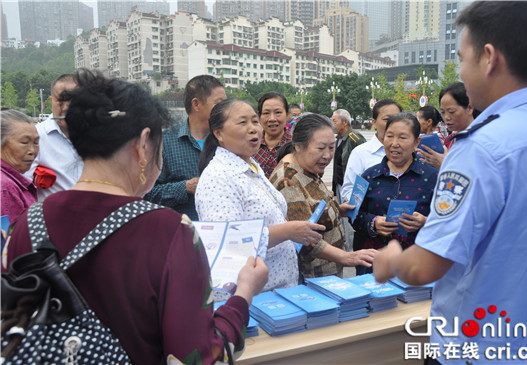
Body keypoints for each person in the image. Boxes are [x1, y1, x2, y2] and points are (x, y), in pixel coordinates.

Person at [2, 69, 269, 365]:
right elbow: (199, 357)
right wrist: (244, 293)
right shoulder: (168, 231)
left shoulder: (26, 223)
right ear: (143, 145)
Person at [374, 2, 527, 364]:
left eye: (461, 58)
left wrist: (393, 259)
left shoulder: (482, 147)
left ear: (489, 58)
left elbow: (426, 267)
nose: (461, 71)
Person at [195, 98, 325, 299]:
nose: (253, 129)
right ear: (218, 133)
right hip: (250, 299)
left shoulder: (251, 165)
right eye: (242, 122)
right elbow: (228, 243)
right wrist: (288, 231)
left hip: (279, 290)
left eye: (255, 121)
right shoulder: (219, 177)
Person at [271, 113, 377, 279]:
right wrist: (347, 257)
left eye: (331, 147)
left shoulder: (308, 168)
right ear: (298, 146)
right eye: (320, 148)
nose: (327, 155)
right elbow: (305, 238)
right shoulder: (288, 180)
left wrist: (338, 210)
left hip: (329, 272)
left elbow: (313, 212)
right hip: (312, 278)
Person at [352, 113, 438, 275]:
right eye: (389, 136)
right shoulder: (368, 176)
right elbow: (354, 215)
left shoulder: (434, 177)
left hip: (417, 264)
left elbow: (448, 221)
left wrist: (425, 221)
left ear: (416, 142)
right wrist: (373, 223)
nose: (394, 143)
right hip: (374, 265)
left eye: (403, 137)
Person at [145, 75, 226, 220]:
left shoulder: (227, 141)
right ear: (196, 104)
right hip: (181, 234)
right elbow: (148, 194)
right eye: (219, 104)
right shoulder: (164, 143)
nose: (225, 110)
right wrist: (185, 187)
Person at [25, 74, 82, 201]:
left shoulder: (98, 134)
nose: (66, 107)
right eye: (60, 100)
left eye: (73, 100)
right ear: (51, 101)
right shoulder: (35, 137)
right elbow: (24, 186)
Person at [341, 99, 402, 203]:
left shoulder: (409, 152)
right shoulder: (360, 153)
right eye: (387, 119)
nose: (393, 124)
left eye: (397, 119)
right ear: (374, 123)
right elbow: (348, 191)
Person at [417, 82, 475, 170]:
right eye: (443, 112)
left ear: (469, 108)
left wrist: (445, 165)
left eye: (451, 112)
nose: (446, 117)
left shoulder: (481, 141)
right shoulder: (450, 140)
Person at [1, 110, 39, 222]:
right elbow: (9, 238)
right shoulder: (5, 188)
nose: (32, 151)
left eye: (36, 143)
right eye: (24, 142)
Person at [252, 92, 293, 178]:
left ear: (287, 115)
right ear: (259, 116)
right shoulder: (250, 146)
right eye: (266, 113)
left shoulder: (296, 147)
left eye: (278, 112)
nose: (272, 119)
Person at [331, 108, 366, 198]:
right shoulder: (338, 138)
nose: (332, 124)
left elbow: (364, 161)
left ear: (345, 122)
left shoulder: (355, 139)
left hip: (351, 186)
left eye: (334, 121)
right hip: (340, 183)